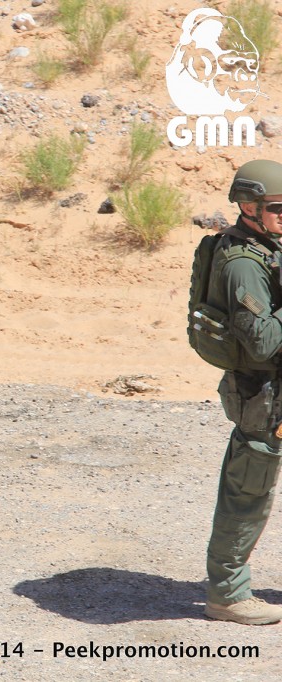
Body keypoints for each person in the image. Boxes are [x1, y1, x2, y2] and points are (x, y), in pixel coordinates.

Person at [204, 160, 282, 625]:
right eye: (277, 208)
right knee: (248, 488)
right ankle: (228, 594)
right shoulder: (241, 264)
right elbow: (263, 341)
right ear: (248, 206)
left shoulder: (269, 247)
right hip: (263, 395)